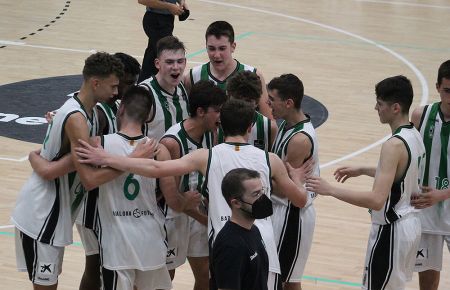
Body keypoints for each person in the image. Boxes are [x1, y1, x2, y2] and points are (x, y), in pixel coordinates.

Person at [75, 99, 310, 290]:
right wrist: (298, 179)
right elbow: (300, 200)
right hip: (262, 244)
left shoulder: (204, 156)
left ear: (220, 125)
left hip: (227, 244)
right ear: (250, 127)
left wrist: (108, 158)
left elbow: (156, 168)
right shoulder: (271, 160)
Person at [11, 52, 124, 290]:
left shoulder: (87, 109)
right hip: (42, 214)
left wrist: (40, 160)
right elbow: (89, 179)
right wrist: (128, 164)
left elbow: (55, 161)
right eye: (113, 86)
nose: (116, 92)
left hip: (57, 213)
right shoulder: (77, 119)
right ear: (96, 83)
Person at [34, 52, 141, 290]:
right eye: (125, 82)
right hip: (91, 199)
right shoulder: (97, 113)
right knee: (96, 264)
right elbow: (81, 164)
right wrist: (131, 162)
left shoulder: (105, 108)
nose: (128, 88)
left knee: (100, 264)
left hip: (99, 196)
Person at [306, 75, 425, 290]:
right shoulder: (414, 134)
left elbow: (377, 200)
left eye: (380, 104)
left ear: (395, 107)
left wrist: (330, 189)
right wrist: (362, 170)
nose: (375, 108)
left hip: (391, 230)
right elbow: (402, 174)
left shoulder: (393, 145)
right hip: (411, 225)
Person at [159, 80, 227, 289]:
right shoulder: (172, 142)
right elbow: (173, 199)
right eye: (217, 111)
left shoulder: (212, 133)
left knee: (205, 274)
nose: (221, 116)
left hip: (198, 213)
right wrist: (204, 218)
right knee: (164, 278)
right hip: (173, 217)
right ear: (200, 111)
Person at [267, 74, 319, 290]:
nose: (268, 103)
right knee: (286, 277)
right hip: (282, 210)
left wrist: (262, 176)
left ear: (288, 103)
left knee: (285, 279)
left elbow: (284, 187)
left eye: (272, 99)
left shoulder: (299, 139)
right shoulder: (286, 125)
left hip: (292, 214)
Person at [410, 60, 450, 290]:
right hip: (426, 213)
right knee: (427, 283)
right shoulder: (421, 116)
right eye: (447, 91)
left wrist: (442, 194)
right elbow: (407, 159)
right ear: (437, 87)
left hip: (441, 201)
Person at [183, 20, 273, 118]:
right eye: (212, 49)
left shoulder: (254, 75)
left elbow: (268, 120)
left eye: (222, 48)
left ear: (233, 47)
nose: (217, 55)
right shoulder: (193, 76)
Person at [210, 168, 270, 290]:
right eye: (255, 194)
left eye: (262, 191)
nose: (262, 198)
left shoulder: (253, 230)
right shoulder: (230, 245)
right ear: (236, 203)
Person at [140, 35, 189, 141]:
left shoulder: (184, 87)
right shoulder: (144, 93)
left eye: (180, 61)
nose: (176, 67)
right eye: (169, 62)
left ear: (185, 62)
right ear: (157, 64)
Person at [138, 0, 188, 83]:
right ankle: (160, 82)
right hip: (155, 20)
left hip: (168, 20)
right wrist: (170, 6)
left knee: (153, 53)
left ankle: (143, 84)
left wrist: (182, 3)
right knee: (165, 51)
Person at [226, 70, 277, 151]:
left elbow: (273, 159)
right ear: (228, 97)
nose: (241, 105)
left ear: (256, 102)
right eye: (237, 99)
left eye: (247, 101)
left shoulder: (269, 127)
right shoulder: (218, 124)